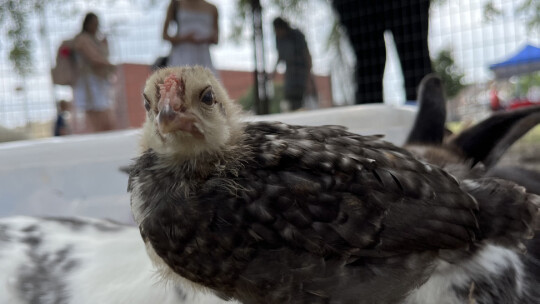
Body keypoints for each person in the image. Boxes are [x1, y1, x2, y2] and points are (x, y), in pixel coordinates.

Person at [332, 0, 433, 104]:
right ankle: (370, 117)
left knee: (416, 63)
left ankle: (424, 116)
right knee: (369, 73)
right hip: (358, 7)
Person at [73, 12, 115, 133]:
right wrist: (110, 65)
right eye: (94, 24)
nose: (96, 27)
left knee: (103, 111)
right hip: (89, 82)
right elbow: (93, 59)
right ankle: (98, 135)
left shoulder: (96, 40)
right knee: (96, 112)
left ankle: (103, 134)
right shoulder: (82, 39)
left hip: (99, 80)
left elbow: (102, 57)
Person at [162, 0, 219, 76]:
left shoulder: (212, 8)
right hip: (180, 57)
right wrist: (185, 38)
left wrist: (203, 39)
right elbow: (165, 35)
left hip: (203, 59)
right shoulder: (176, 3)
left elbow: (216, 39)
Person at [271, 17, 315, 112]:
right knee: (289, 100)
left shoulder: (297, 35)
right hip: (290, 75)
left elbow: (307, 55)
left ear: (282, 27)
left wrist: (309, 78)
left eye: (277, 30)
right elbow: (280, 56)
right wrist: (274, 72)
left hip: (301, 74)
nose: (276, 33)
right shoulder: (278, 38)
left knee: (301, 101)